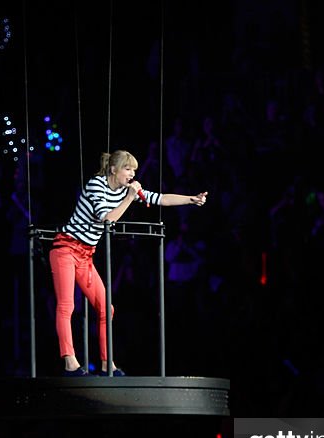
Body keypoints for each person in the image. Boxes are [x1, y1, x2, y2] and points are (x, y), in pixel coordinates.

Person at [51, 150, 208, 376]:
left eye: (134, 169)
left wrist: (191, 199)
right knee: (67, 306)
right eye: (128, 169)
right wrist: (128, 198)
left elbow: (160, 198)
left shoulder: (127, 189)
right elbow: (107, 220)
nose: (133, 174)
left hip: (85, 254)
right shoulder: (97, 184)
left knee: (107, 309)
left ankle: (107, 364)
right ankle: (69, 362)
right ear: (113, 170)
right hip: (65, 248)